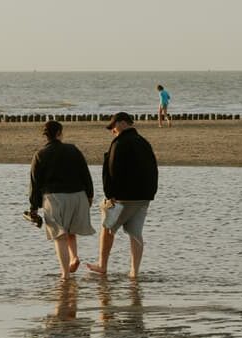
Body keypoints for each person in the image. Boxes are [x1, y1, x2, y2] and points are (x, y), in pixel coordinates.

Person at [86, 112, 158, 280]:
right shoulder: (144, 142)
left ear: (123, 123)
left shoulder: (119, 143)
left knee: (107, 228)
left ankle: (102, 265)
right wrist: (151, 193)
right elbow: (153, 168)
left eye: (113, 126)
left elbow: (111, 172)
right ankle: (134, 272)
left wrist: (110, 196)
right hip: (144, 197)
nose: (112, 130)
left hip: (123, 197)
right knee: (136, 233)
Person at [27, 120, 95, 280]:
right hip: (77, 195)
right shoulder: (73, 150)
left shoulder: (40, 154)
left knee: (59, 236)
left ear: (46, 136)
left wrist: (33, 207)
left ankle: (65, 275)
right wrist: (89, 196)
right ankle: (74, 257)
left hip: (54, 198)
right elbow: (86, 174)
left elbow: (35, 183)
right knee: (70, 231)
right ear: (59, 133)